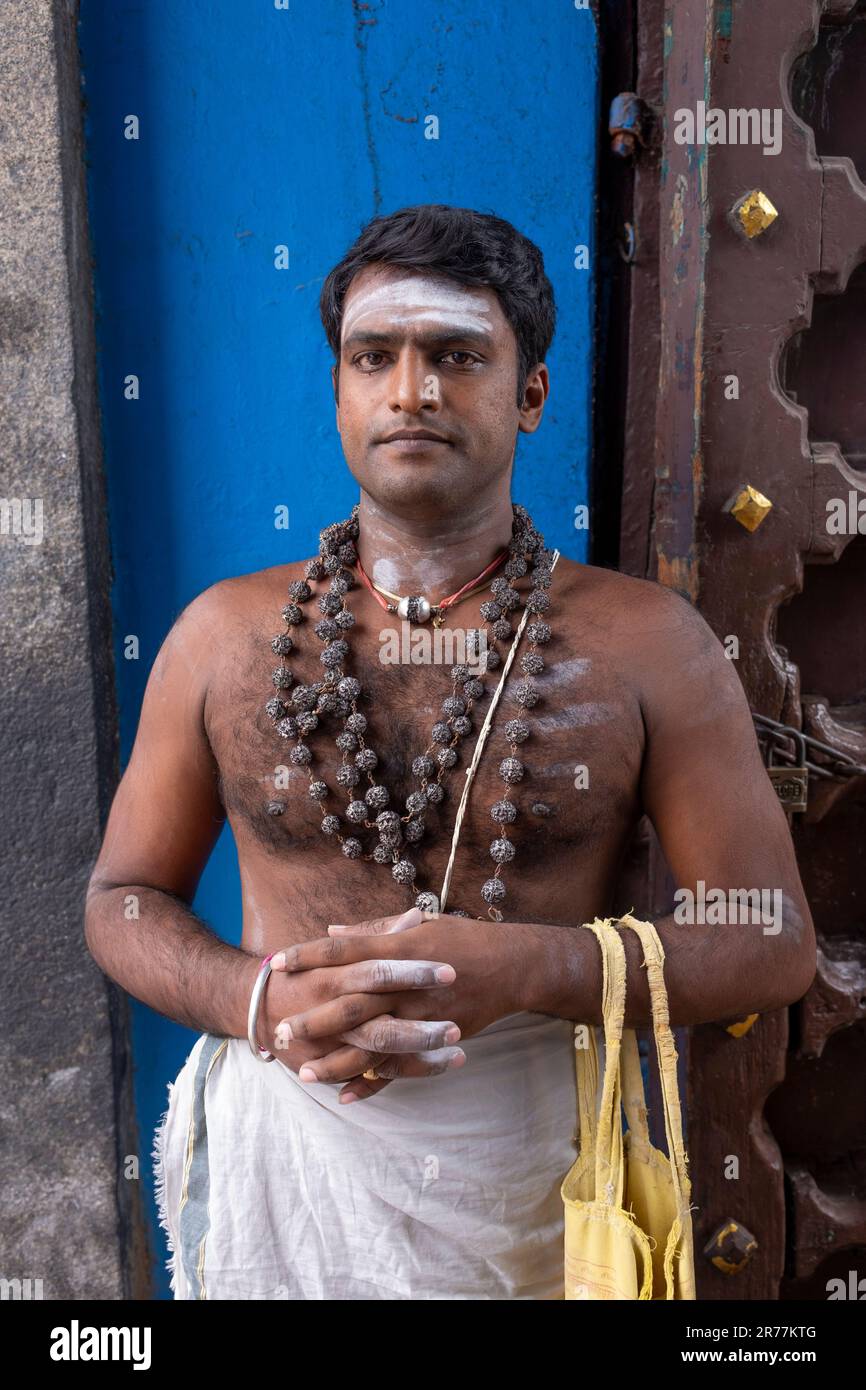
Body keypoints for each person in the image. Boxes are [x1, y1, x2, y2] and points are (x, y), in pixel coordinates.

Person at [84, 204, 816, 1300]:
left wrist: (533, 965)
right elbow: (124, 895)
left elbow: (769, 941)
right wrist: (260, 1005)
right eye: (372, 357)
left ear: (529, 396)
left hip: (536, 1191)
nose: (410, 391)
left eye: (455, 358)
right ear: (337, 391)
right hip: (282, 1175)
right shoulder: (219, 635)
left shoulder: (645, 642)